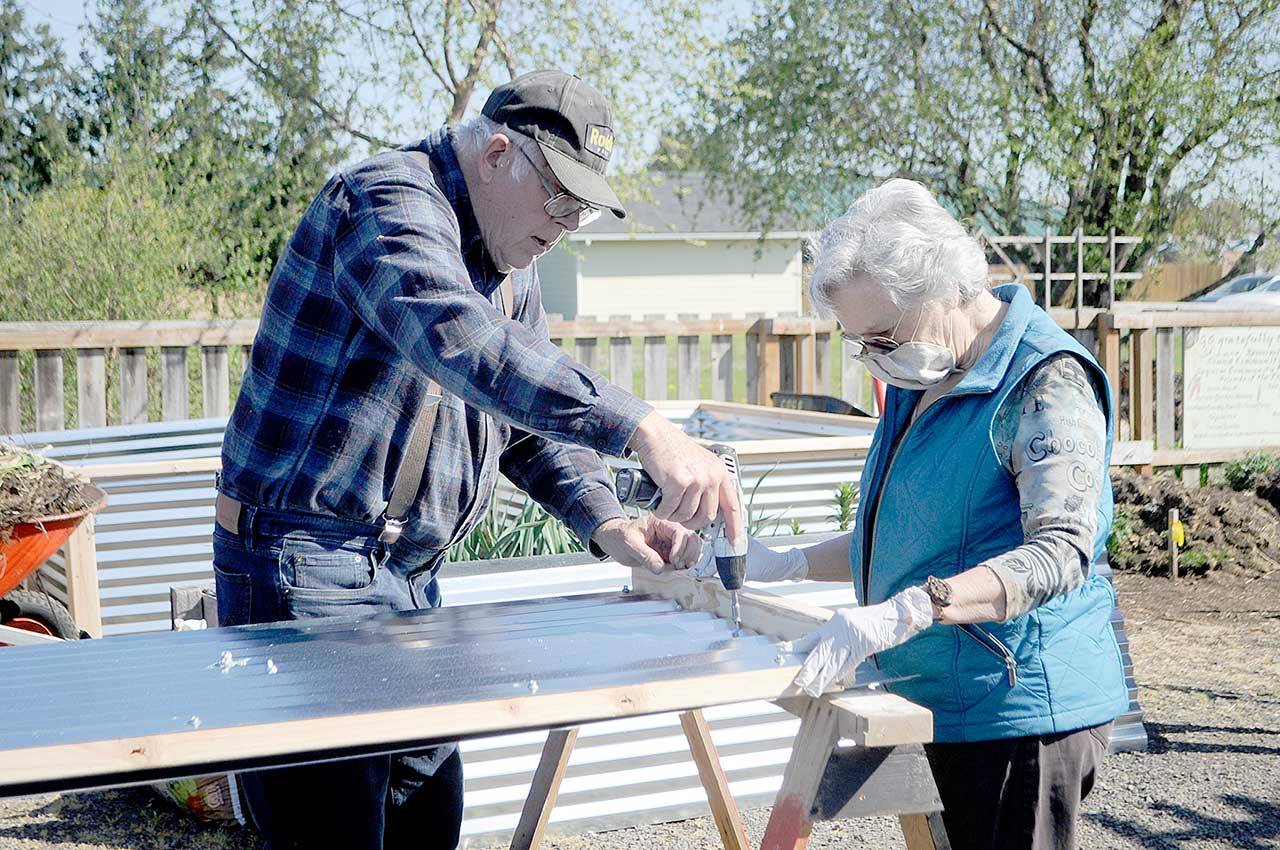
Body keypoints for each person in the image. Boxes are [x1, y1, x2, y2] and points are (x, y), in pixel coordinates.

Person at [213, 69, 737, 850]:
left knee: (429, 822)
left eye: (582, 208)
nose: (565, 225)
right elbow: (462, 345)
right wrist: (644, 428)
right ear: (497, 156)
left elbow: (528, 428)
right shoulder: (383, 201)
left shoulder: (512, 270)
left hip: (411, 580)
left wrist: (608, 523)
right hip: (305, 562)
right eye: (559, 198)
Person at [691, 178, 1127, 850]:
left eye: (884, 336)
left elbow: (1060, 553)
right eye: (858, 342)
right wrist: (792, 562)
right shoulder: (919, 374)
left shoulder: (1046, 379)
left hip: (1017, 710)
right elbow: (905, 533)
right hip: (937, 695)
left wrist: (909, 610)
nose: (875, 357)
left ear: (945, 287)